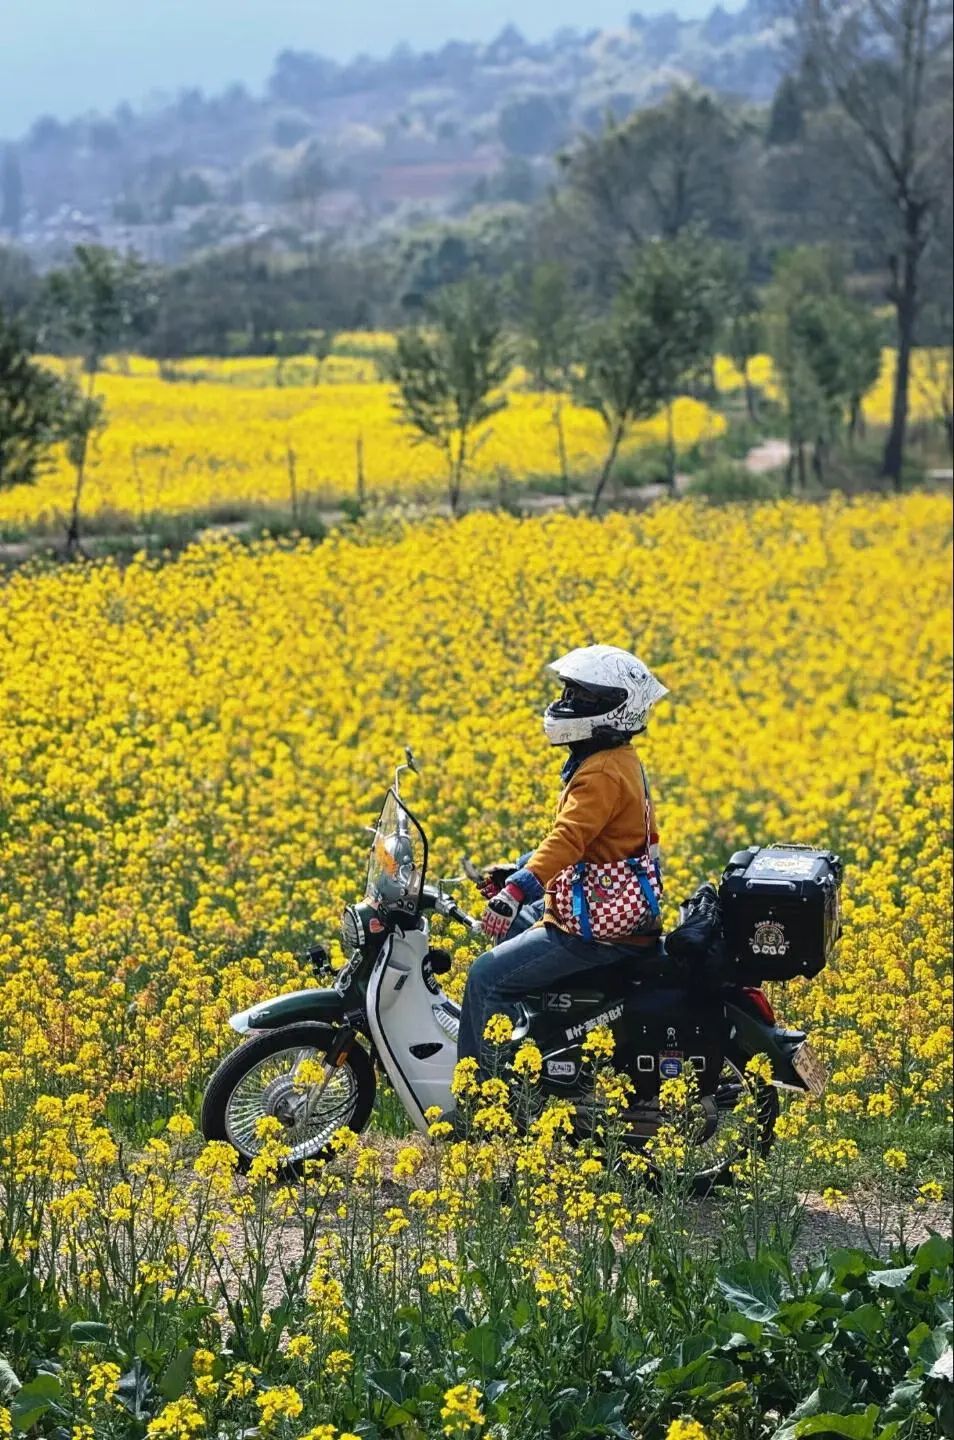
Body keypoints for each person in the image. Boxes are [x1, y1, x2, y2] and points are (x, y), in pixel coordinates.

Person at [457, 644, 668, 1074]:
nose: (565, 706)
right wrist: (517, 869)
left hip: (594, 925)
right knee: (519, 927)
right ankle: (532, 1053)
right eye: (568, 695)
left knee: (485, 978)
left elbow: (569, 839)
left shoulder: (602, 773)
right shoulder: (615, 760)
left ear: (613, 711)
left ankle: (480, 1097)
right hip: (595, 906)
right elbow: (591, 843)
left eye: (579, 699)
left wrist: (518, 889)